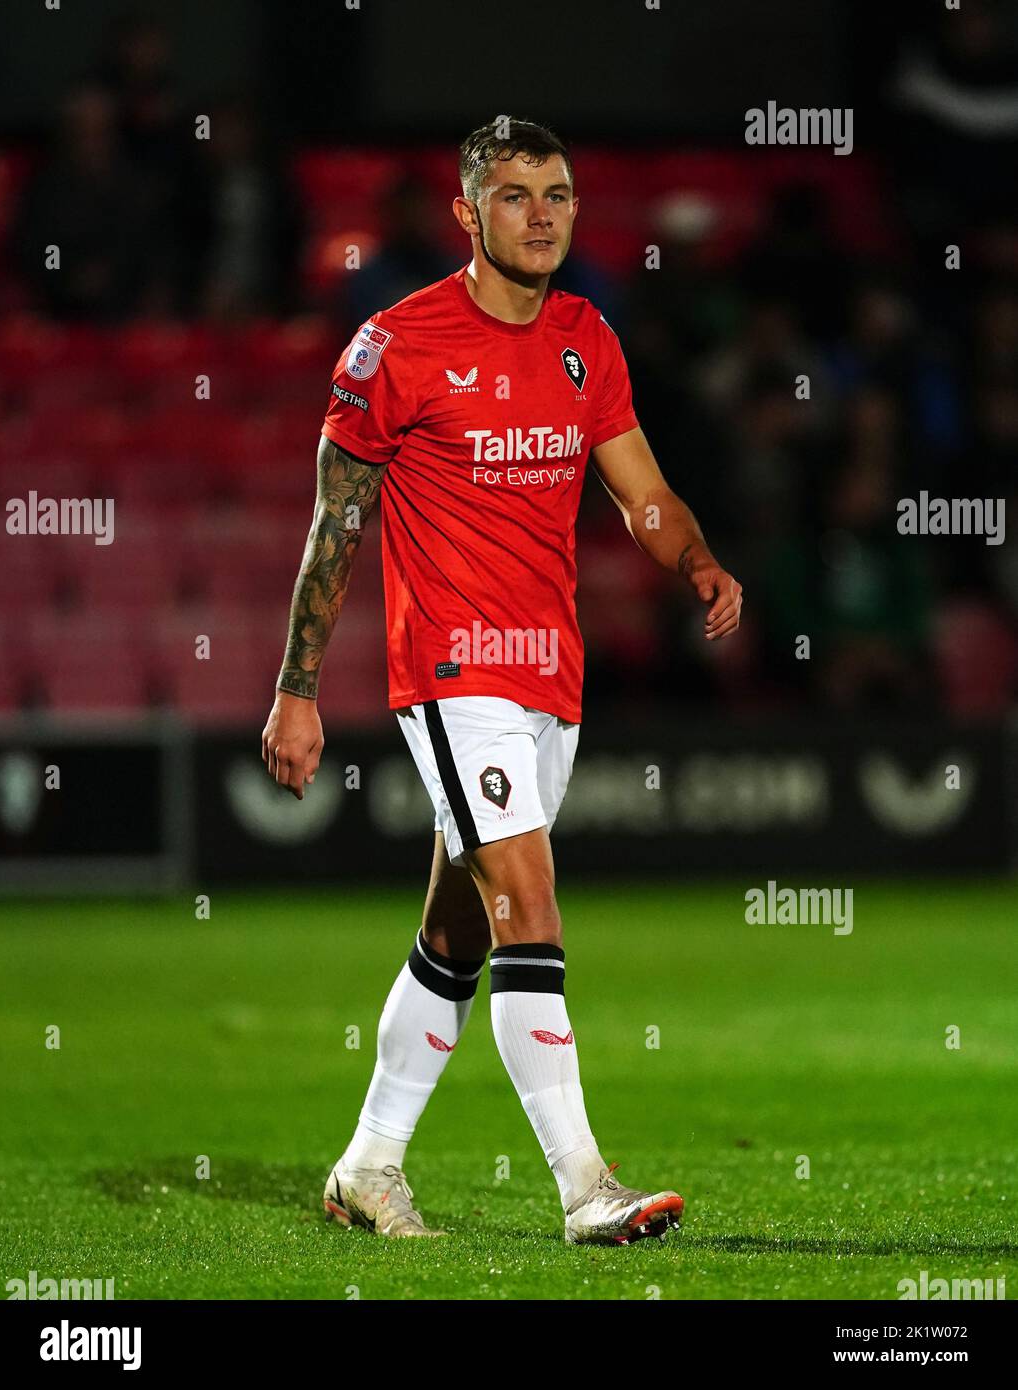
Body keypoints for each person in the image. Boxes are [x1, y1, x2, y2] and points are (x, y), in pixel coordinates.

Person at [261, 118, 742, 1244]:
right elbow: (336, 521)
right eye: (516, 195)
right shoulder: (398, 343)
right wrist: (297, 688)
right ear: (467, 216)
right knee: (529, 901)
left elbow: (641, 493)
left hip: (549, 676)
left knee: (457, 936)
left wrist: (696, 558)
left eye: (559, 193)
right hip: (452, 668)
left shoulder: (586, 338)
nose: (541, 214)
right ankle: (587, 1187)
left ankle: (365, 1168)